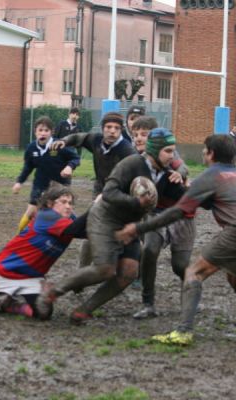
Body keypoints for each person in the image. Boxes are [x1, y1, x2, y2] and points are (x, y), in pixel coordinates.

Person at [116, 135, 236, 345]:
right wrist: (189, 190)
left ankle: (183, 332)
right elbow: (212, 202)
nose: (203, 153)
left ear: (210, 153)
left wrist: (139, 227)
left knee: (193, 273)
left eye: (204, 150)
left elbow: (176, 212)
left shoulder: (211, 175)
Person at [36, 129, 178, 325]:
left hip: (129, 225)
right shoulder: (131, 163)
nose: (173, 156)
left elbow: (186, 199)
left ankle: (84, 310)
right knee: (105, 269)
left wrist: (185, 180)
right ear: (155, 150)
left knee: (128, 273)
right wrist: (136, 203)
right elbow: (109, 192)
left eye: (173, 151)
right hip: (105, 218)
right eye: (168, 151)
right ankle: (52, 292)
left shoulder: (166, 174)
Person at [0, 184, 87, 319]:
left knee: (43, 313)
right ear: (50, 204)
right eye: (63, 202)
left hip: (31, 277)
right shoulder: (47, 216)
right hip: (5, 270)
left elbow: (85, 231)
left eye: (70, 202)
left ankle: (8, 305)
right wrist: (98, 206)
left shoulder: (69, 220)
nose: (68, 206)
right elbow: (75, 230)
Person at [51, 112, 136, 269]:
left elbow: (128, 179)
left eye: (116, 128)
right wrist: (64, 141)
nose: (112, 131)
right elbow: (79, 138)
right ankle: (82, 271)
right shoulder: (96, 140)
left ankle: (133, 269)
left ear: (121, 130)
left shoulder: (127, 151)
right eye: (109, 127)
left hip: (122, 197)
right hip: (101, 191)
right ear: (102, 128)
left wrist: (107, 194)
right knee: (93, 230)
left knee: (128, 235)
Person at [131, 120, 196, 319]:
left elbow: (183, 170)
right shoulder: (135, 162)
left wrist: (182, 176)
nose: (141, 138)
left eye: (146, 134)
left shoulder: (172, 163)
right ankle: (148, 303)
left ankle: (193, 295)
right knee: (150, 249)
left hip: (181, 216)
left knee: (179, 265)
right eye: (138, 134)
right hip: (156, 214)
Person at [13, 116, 80, 232]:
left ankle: (80, 229)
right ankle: (20, 236)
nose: (43, 133)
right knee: (31, 211)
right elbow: (28, 167)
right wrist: (19, 182)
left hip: (60, 186)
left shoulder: (59, 145)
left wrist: (70, 167)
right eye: (40, 130)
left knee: (64, 211)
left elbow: (75, 158)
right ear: (35, 132)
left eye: (46, 130)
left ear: (52, 132)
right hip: (40, 185)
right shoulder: (31, 148)